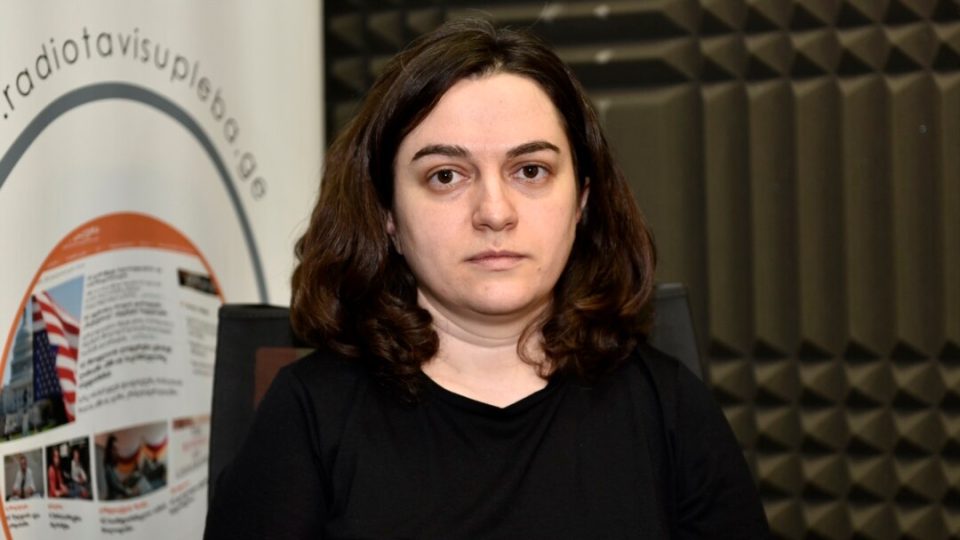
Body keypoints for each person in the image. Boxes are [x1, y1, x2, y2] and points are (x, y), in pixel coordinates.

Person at [205, 18, 769, 539]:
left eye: (531, 170)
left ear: (582, 201)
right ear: (388, 216)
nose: (494, 212)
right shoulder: (307, 415)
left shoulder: (670, 408)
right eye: (446, 176)